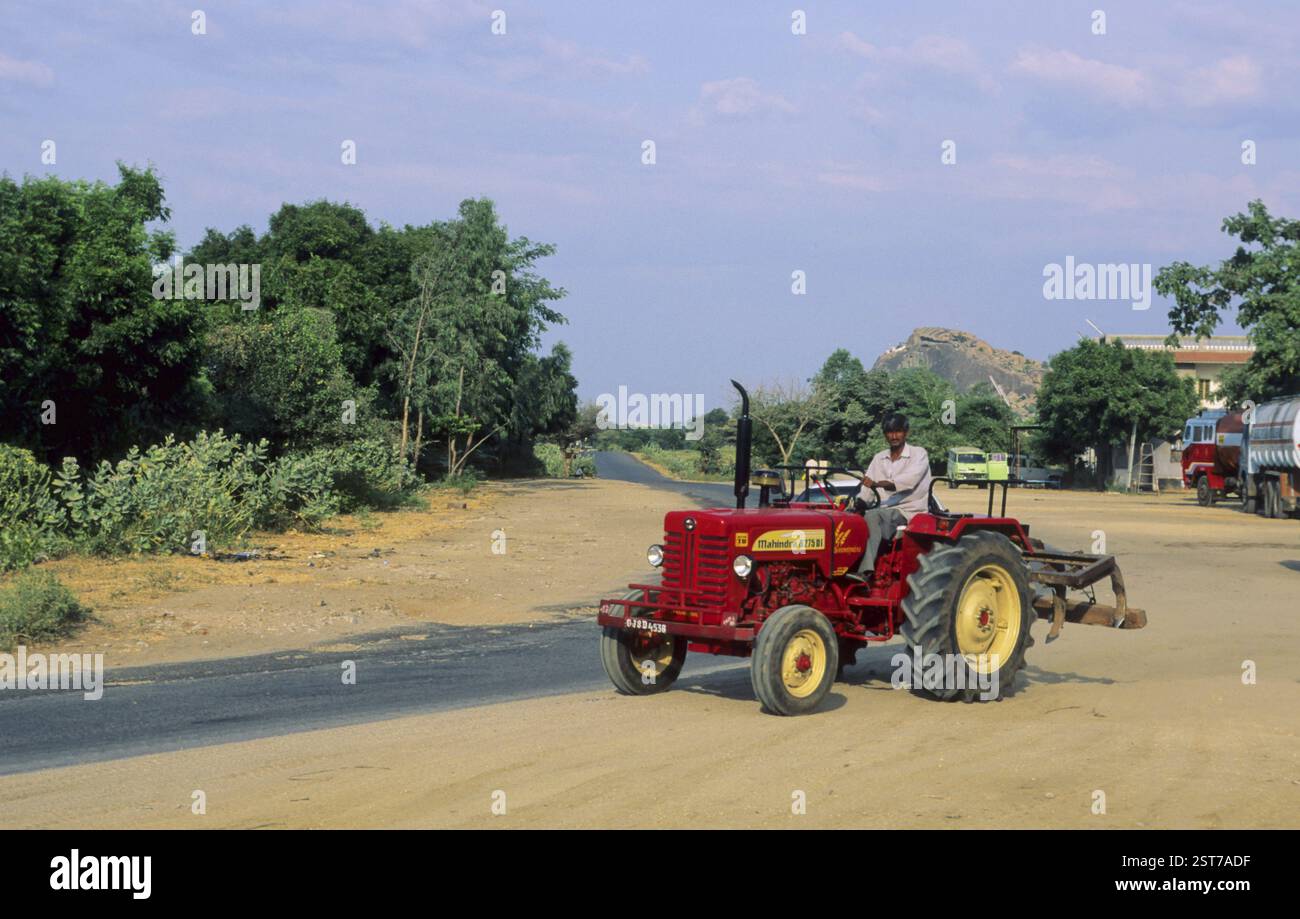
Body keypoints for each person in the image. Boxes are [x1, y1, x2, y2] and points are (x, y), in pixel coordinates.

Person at [846, 413, 932, 583]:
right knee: (849, 519)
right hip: (883, 511)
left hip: (908, 511)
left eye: (898, 431)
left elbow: (908, 481)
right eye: (889, 432)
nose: (894, 436)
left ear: (906, 432)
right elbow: (867, 490)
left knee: (873, 516)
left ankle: (865, 571)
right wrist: (857, 504)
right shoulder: (879, 458)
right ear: (885, 434)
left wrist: (877, 484)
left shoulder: (918, 454)